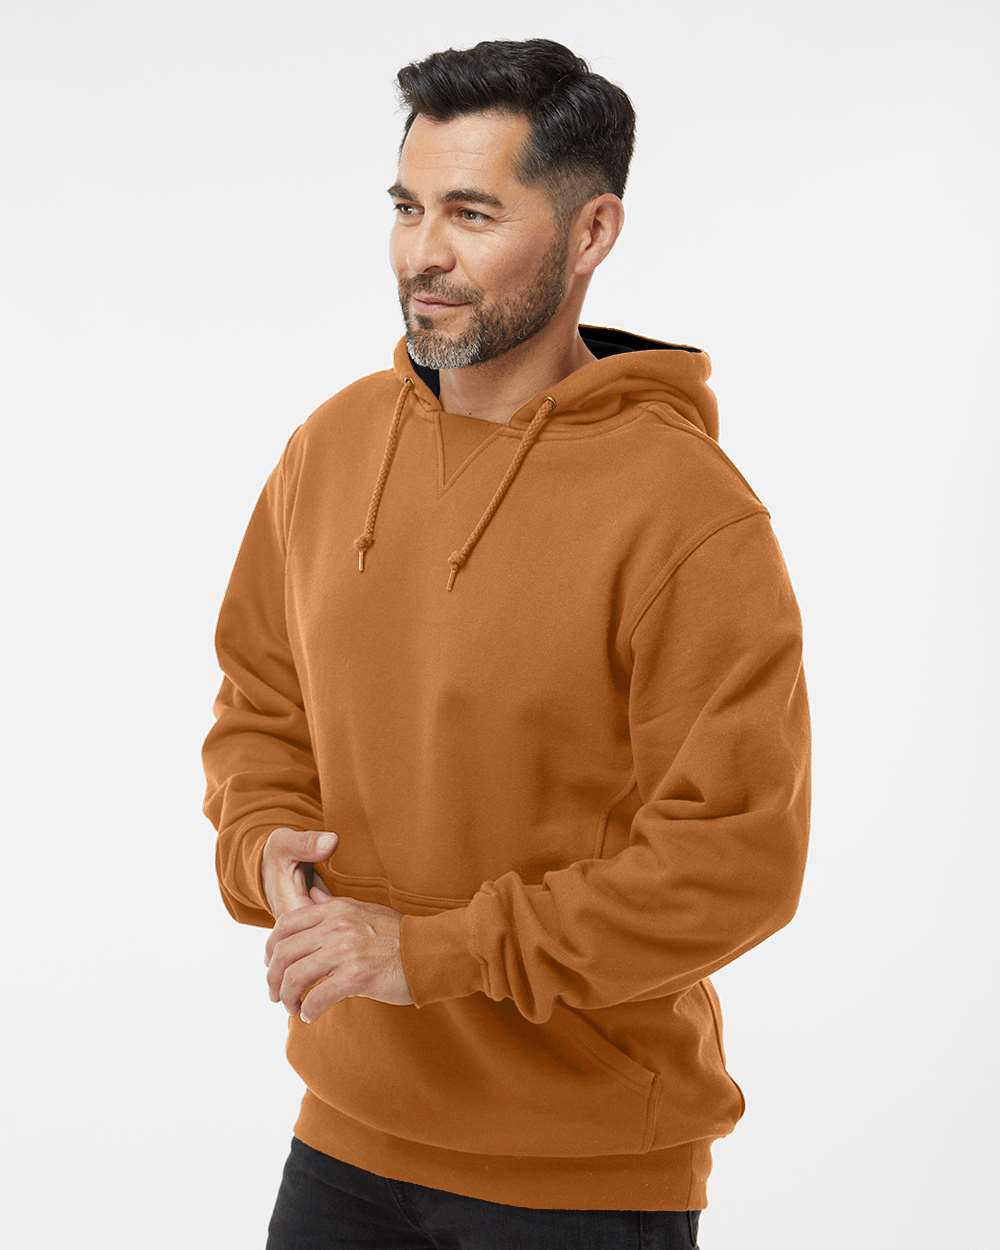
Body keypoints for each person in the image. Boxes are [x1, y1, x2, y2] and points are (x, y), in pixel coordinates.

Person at [201, 36, 812, 1250]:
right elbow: (260, 705)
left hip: (581, 1173)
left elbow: (733, 860)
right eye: (408, 207)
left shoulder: (687, 513)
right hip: (345, 1133)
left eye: (471, 214)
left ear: (592, 233)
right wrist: (263, 847)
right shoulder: (330, 446)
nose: (421, 253)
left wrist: (432, 951)